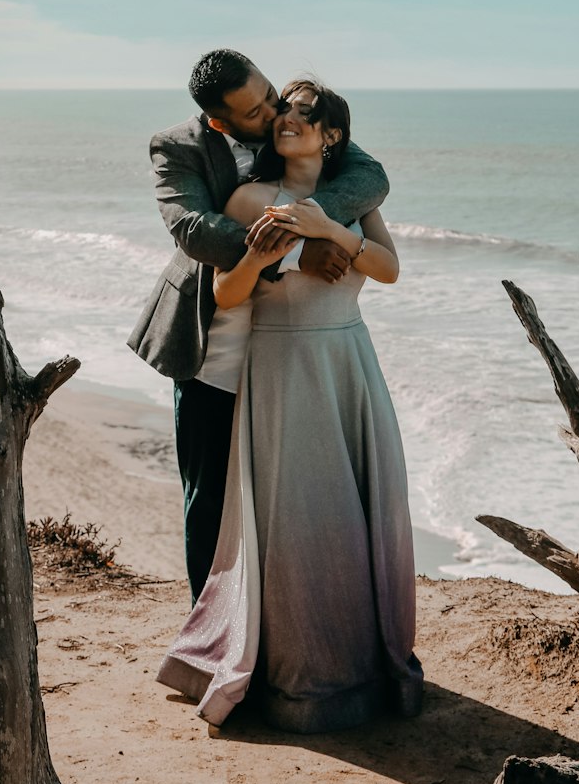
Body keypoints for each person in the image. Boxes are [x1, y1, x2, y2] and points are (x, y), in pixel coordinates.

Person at [157, 78, 423, 733]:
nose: (286, 120)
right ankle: (292, 674)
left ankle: (362, 663)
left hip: (348, 363)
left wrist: (332, 230)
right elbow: (226, 292)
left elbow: (388, 268)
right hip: (279, 363)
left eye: (304, 115)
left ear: (332, 134)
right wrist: (268, 254)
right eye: (283, 112)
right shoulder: (250, 198)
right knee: (290, 522)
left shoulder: (355, 195)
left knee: (354, 514)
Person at [128, 49, 390, 602]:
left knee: (284, 505)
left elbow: (370, 176)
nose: (274, 114)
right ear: (221, 121)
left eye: (271, 94)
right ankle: (211, 642)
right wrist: (296, 255)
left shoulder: (295, 122)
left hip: (287, 360)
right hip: (214, 352)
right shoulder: (177, 148)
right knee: (212, 501)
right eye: (257, 111)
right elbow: (198, 233)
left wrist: (319, 226)